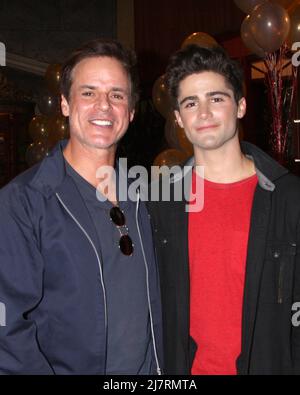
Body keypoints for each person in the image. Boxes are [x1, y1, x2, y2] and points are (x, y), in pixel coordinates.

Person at [0, 39, 163, 375]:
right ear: (64, 103)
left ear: (131, 111)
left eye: (116, 94)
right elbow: (7, 328)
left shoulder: (146, 197)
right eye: (88, 92)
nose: (103, 105)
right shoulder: (24, 201)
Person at [147, 44, 300, 375]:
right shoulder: (158, 203)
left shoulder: (288, 198)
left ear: (241, 106)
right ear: (178, 118)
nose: (203, 113)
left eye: (216, 98)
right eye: (191, 103)